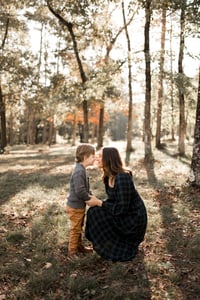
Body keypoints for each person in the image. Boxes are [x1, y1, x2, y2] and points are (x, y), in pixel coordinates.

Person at [85, 147, 147, 262]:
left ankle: (118, 245)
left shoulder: (122, 177)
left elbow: (121, 209)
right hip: (122, 212)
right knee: (94, 212)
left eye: (100, 156)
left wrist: (99, 202)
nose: (96, 158)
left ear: (108, 159)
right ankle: (107, 244)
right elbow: (114, 202)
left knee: (97, 211)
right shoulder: (108, 176)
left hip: (132, 219)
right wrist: (94, 201)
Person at [66, 143, 96, 258]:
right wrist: (88, 199)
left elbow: (85, 188)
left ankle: (79, 246)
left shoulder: (82, 169)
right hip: (75, 207)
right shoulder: (79, 171)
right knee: (75, 229)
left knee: (79, 227)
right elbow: (80, 191)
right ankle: (72, 252)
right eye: (92, 156)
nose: (94, 158)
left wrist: (91, 196)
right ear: (85, 157)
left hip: (79, 206)